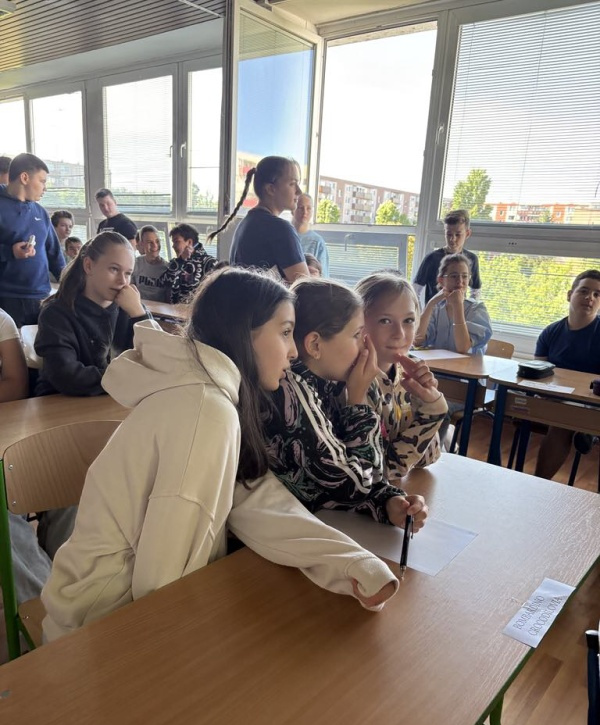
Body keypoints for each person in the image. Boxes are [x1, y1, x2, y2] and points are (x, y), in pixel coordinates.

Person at [41, 267, 399, 641]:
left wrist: (350, 564)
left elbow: (253, 498)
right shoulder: (204, 411)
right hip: (99, 625)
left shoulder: (216, 398)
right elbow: (163, 581)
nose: (293, 351)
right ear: (244, 334)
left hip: (130, 609)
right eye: (285, 332)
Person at [263, 277, 428, 529]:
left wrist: (388, 502)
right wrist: (358, 402)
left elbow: (367, 476)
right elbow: (355, 484)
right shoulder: (291, 390)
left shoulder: (332, 383)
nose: (366, 346)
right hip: (284, 533)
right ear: (315, 345)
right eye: (357, 335)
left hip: (325, 523)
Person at [34, 231, 154, 397]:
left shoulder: (133, 310)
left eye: (128, 273)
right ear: (88, 266)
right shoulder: (56, 314)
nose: (122, 281)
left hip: (116, 400)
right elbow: (67, 376)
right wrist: (134, 378)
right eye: (114, 269)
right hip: (62, 403)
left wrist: (140, 315)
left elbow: (160, 362)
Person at [356, 272, 448, 479]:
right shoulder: (354, 383)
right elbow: (381, 471)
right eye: (385, 321)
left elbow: (427, 458)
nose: (400, 333)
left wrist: (422, 401)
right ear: (358, 324)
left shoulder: (405, 373)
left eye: (408, 320)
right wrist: (433, 412)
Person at [0, 308, 52, 601]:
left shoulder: (1, 320)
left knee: (73, 488)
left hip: (10, 438)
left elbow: (16, 385)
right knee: (4, 514)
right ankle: (46, 605)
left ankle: (69, 591)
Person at [534, 269, 600, 480]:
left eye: (597, 294)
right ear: (570, 295)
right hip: (552, 396)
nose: (590, 298)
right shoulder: (550, 332)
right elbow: (538, 371)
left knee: (561, 424)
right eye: (584, 291)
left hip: (591, 401)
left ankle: (539, 482)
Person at [208, 156, 310, 283]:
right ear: (270, 189)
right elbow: (305, 288)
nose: (299, 191)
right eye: (292, 184)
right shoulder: (280, 229)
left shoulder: (245, 224)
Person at [0, 153, 65, 327]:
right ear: (24, 178)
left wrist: (69, 282)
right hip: (7, 299)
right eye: (42, 181)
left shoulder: (40, 212)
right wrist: (10, 252)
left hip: (41, 297)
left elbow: (54, 254)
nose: (45, 188)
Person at [415, 253, 492, 355]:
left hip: (468, 365)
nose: (460, 281)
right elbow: (417, 340)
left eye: (464, 276)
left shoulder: (477, 309)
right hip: (441, 363)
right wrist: (430, 304)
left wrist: (457, 305)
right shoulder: (436, 308)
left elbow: (463, 348)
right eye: (454, 276)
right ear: (441, 280)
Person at [413, 209, 482, 307]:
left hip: (458, 312)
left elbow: (475, 291)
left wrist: (469, 311)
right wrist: (423, 313)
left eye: (458, 234)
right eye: (449, 234)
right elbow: (415, 291)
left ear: (467, 233)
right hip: (434, 313)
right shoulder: (431, 259)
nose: (452, 239)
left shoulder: (471, 259)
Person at [163, 223, 218, 304]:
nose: (173, 246)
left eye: (176, 242)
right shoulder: (176, 263)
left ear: (189, 242)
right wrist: (181, 260)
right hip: (172, 310)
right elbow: (165, 283)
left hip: (198, 310)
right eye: (173, 242)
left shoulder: (210, 263)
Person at [292, 193, 330, 276]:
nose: (305, 212)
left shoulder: (317, 242)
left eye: (308, 208)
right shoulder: (284, 235)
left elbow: (324, 276)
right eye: (301, 208)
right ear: (293, 210)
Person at [131, 225, 169, 302]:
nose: (155, 246)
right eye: (149, 242)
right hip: (138, 305)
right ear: (141, 244)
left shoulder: (168, 268)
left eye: (157, 241)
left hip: (160, 308)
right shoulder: (135, 263)